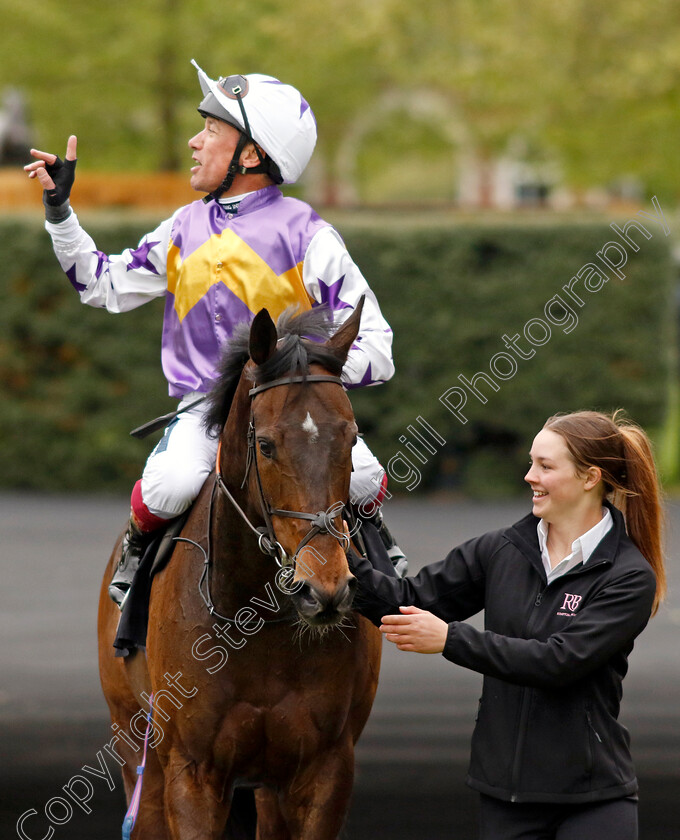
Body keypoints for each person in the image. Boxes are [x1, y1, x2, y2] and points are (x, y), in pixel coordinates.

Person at [25, 61, 406, 609]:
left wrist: (298, 372)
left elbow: (378, 346)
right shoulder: (182, 226)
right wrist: (60, 212)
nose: (194, 141)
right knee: (170, 483)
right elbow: (101, 284)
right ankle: (137, 560)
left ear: (249, 154)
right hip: (207, 409)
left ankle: (378, 547)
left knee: (365, 475)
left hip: (290, 409)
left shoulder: (309, 234)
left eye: (210, 130)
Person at [348, 410, 667, 840]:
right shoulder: (499, 549)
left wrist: (449, 639)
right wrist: (331, 560)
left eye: (545, 466)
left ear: (590, 478)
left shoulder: (628, 576)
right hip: (505, 800)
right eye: (532, 462)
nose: (529, 476)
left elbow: (558, 661)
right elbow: (410, 599)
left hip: (594, 803)